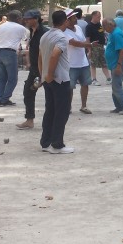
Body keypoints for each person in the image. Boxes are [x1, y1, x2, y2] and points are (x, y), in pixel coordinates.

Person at [38, 10, 75, 154]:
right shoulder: (62, 37)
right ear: (65, 21)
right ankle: (57, 144)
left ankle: (46, 142)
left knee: (50, 110)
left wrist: (43, 75)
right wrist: (50, 74)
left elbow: (40, 57)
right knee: (61, 112)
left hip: (48, 79)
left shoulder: (45, 35)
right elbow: (54, 55)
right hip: (59, 79)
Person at [0, 10, 29, 107]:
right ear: (18, 18)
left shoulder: (1, 26)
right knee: (12, 79)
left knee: (2, 78)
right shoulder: (21, 28)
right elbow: (26, 42)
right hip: (10, 53)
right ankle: (4, 99)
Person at [17, 10, 48, 130]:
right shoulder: (31, 31)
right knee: (28, 92)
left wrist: (44, 73)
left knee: (50, 95)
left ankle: (51, 120)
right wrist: (28, 61)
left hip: (44, 69)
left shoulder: (44, 33)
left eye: (28, 19)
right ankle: (29, 120)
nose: (26, 21)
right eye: (25, 18)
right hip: (34, 68)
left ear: (36, 19)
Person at [65, 8, 95, 115]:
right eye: (73, 17)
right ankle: (68, 107)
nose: (76, 19)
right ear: (67, 20)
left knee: (85, 84)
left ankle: (84, 106)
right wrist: (90, 45)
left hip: (83, 62)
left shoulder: (78, 28)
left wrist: (89, 49)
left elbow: (83, 40)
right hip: (71, 64)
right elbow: (75, 43)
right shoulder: (64, 32)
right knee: (70, 87)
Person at [102, 18, 123, 114]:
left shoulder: (117, 34)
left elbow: (122, 50)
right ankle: (119, 106)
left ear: (110, 25)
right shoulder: (112, 33)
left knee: (116, 87)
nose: (103, 28)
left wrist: (119, 65)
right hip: (114, 64)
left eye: (104, 26)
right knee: (115, 86)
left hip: (118, 64)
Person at [85, 11, 111, 86]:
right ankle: (94, 79)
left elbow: (102, 32)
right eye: (98, 17)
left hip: (101, 46)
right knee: (93, 63)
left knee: (104, 63)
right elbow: (87, 39)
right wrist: (89, 50)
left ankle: (108, 78)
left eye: (100, 17)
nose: (99, 18)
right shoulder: (89, 26)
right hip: (94, 47)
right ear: (93, 16)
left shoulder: (99, 25)